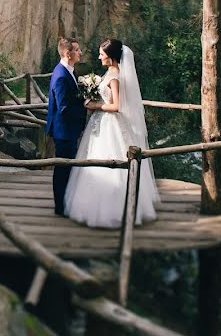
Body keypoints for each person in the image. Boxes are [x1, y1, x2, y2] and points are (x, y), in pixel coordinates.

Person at [64, 39, 160, 228]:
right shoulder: (110, 72)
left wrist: (95, 105)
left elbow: (117, 106)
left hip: (110, 125)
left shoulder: (115, 77)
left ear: (112, 56)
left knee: (109, 162)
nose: (99, 56)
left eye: (102, 54)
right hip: (101, 122)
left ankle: (113, 210)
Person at [45, 37, 87, 216]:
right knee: (63, 168)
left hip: (68, 129)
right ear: (67, 53)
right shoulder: (61, 75)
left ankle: (65, 203)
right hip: (63, 131)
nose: (80, 53)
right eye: (77, 50)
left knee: (67, 167)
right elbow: (64, 107)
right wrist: (85, 109)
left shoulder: (69, 71)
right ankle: (59, 207)